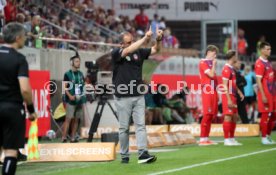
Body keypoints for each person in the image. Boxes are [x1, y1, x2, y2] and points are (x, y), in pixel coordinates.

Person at [112, 26, 163, 164]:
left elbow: (155, 50)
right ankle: (124, 155)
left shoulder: (139, 52)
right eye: (127, 42)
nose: (130, 44)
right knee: (124, 128)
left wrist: (158, 40)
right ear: (121, 44)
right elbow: (128, 50)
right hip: (122, 96)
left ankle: (142, 154)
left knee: (141, 125)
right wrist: (145, 38)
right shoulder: (116, 53)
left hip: (138, 95)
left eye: (131, 41)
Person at [0, 22, 37, 175]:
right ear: (17, 38)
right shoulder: (19, 59)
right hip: (12, 108)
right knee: (10, 151)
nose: (25, 39)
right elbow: (25, 89)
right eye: (23, 36)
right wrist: (31, 110)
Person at [221, 50, 244, 146]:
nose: (237, 58)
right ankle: (226, 139)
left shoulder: (232, 69)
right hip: (228, 96)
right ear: (233, 57)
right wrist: (229, 99)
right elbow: (224, 85)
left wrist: (239, 92)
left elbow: (233, 83)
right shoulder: (226, 69)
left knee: (234, 117)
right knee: (228, 117)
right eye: (236, 56)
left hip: (233, 95)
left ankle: (232, 138)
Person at [61, 53, 86, 143]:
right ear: (72, 63)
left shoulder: (81, 74)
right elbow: (64, 87)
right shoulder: (67, 74)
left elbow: (83, 86)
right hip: (70, 100)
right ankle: (63, 137)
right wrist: (70, 96)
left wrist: (84, 95)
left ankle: (72, 137)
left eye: (79, 61)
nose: (78, 63)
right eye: (76, 61)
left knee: (76, 119)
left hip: (79, 100)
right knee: (68, 119)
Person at [198, 45, 219, 146]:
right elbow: (210, 75)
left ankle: (206, 138)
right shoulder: (203, 62)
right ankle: (202, 139)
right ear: (208, 52)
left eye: (216, 53)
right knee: (207, 114)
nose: (215, 55)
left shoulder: (210, 64)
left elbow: (214, 77)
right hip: (207, 89)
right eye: (214, 53)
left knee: (211, 115)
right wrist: (214, 65)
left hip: (213, 90)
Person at [255, 41, 275, 145]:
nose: (269, 51)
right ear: (262, 50)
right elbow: (258, 80)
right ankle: (263, 138)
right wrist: (263, 95)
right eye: (267, 49)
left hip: (271, 92)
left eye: (270, 49)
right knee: (265, 115)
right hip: (265, 92)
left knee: (271, 115)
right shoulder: (260, 63)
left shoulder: (267, 62)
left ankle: (267, 135)